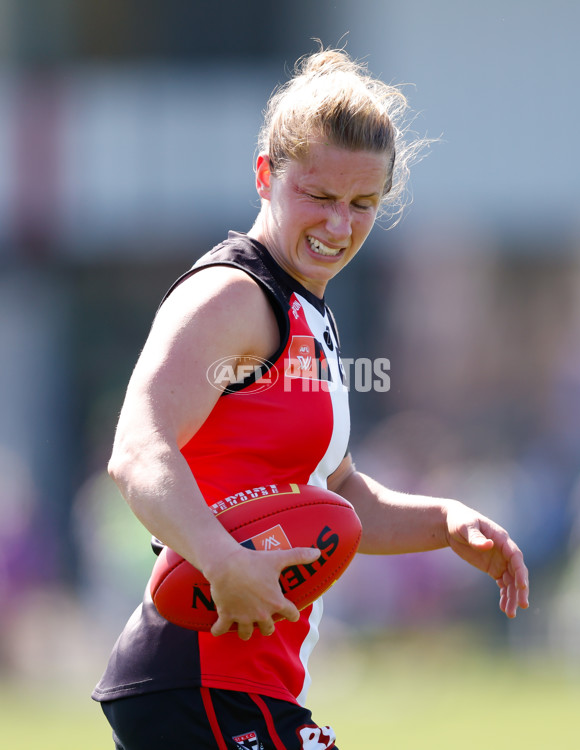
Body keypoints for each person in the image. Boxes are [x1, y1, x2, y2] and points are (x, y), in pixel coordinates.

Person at [93, 47, 529, 750]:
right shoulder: (232, 295)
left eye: (363, 205)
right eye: (319, 198)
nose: (338, 225)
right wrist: (222, 559)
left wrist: (444, 521)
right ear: (266, 175)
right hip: (204, 679)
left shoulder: (309, 315)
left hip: (243, 684)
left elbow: (335, 494)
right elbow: (139, 449)